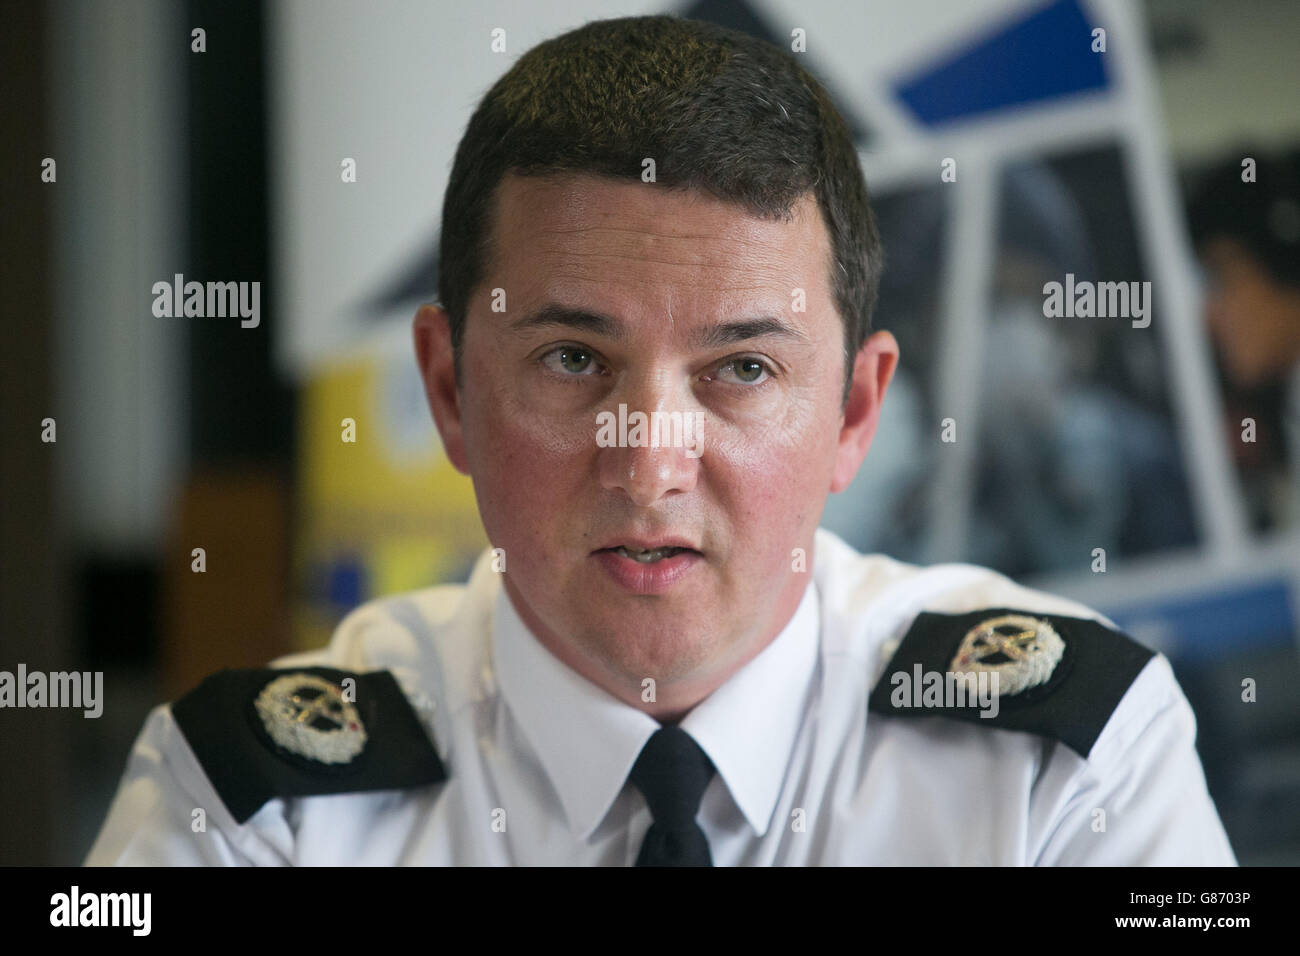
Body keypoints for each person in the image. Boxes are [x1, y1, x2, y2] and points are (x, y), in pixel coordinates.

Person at [86, 15, 1235, 866]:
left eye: (741, 369)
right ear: (448, 388)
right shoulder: (253, 803)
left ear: (853, 410)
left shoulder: (1069, 757)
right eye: (574, 360)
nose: (647, 460)